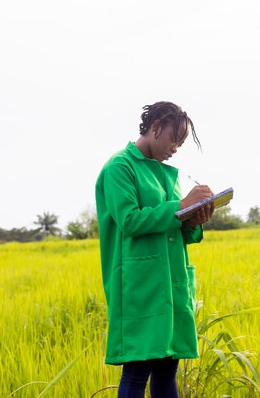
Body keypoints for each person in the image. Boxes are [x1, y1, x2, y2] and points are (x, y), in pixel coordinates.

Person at [95, 101, 215, 398]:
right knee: (137, 371)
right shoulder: (119, 167)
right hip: (140, 287)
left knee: (166, 370)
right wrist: (181, 207)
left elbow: (175, 228)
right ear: (155, 127)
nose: (176, 147)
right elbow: (130, 221)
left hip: (169, 284)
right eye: (174, 138)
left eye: (181, 142)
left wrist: (193, 219)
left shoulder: (165, 174)